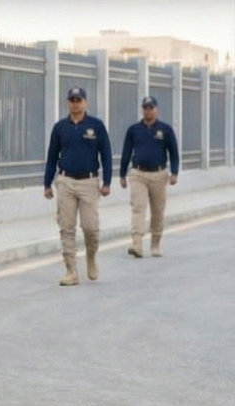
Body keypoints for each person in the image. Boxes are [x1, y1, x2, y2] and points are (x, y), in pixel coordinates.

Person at [43, 86, 112, 286]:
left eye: (79, 100)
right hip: (65, 181)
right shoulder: (60, 128)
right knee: (66, 227)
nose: (75, 103)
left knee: (91, 227)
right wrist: (47, 183)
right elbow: (52, 157)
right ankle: (71, 270)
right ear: (68, 103)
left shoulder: (96, 126)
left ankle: (91, 256)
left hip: (89, 182)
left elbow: (106, 155)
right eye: (72, 100)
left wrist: (107, 182)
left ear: (85, 103)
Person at [119, 95, 179, 259]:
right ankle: (137, 244)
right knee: (138, 208)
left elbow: (173, 152)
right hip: (138, 174)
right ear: (142, 110)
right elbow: (126, 152)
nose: (148, 111)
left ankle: (155, 243)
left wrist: (174, 172)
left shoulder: (165, 130)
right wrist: (122, 175)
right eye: (145, 108)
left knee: (158, 211)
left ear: (156, 109)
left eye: (151, 108)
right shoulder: (134, 130)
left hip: (159, 174)